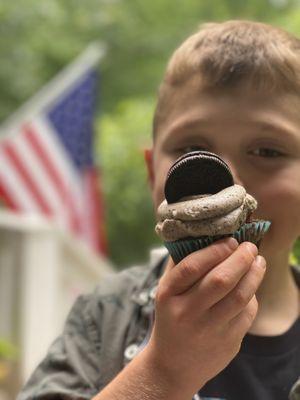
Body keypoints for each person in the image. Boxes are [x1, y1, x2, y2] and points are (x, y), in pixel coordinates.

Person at [18, 20, 300, 400]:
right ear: (154, 172)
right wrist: (163, 372)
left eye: (268, 151)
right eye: (190, 152)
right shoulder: (104, 316)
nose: (228, 185)